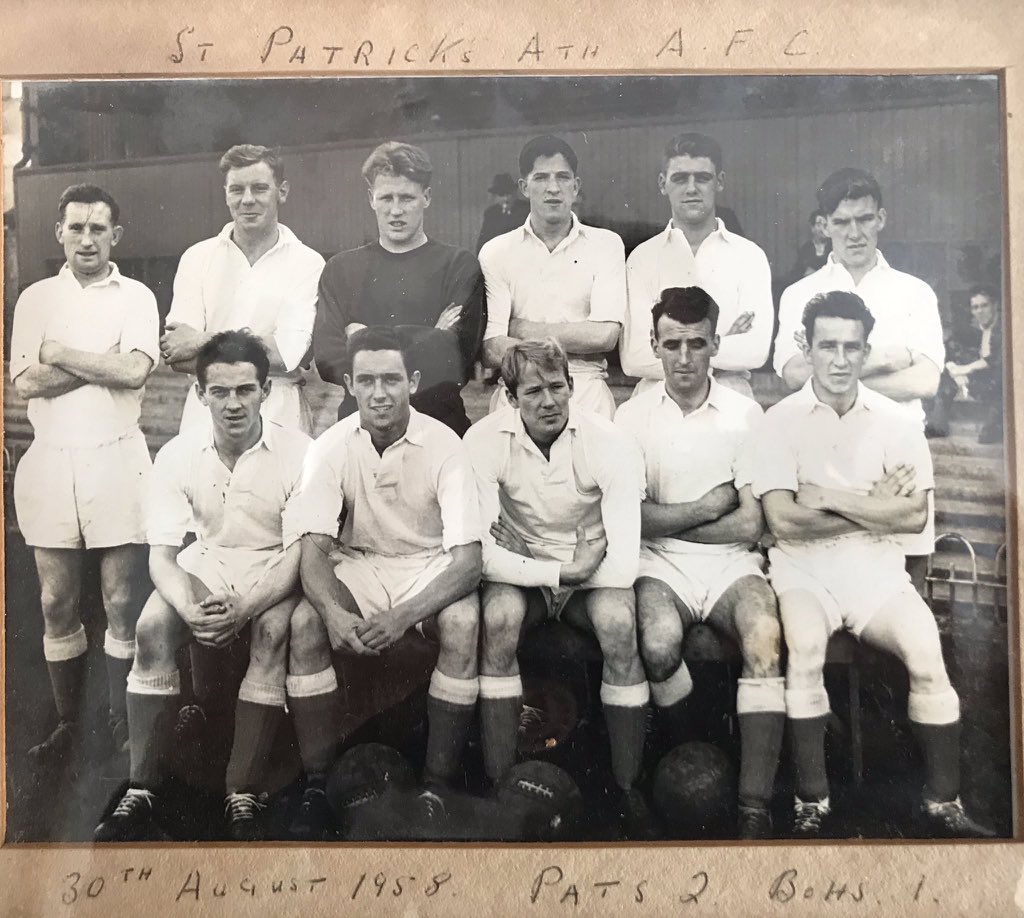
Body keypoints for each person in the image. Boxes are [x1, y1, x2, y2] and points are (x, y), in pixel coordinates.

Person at [753, 290, 992, 839]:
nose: (839, 360)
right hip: (803, 570)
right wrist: (873, 505)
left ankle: (943, 801)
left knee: (928, 653)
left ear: (866, 352)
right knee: (807, 649)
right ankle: (813, 801)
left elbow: (911, 517)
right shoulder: (779, 420)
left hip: (876, 573)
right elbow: (785, 523)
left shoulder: (895, 419)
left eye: (852, 348)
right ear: (807, 349)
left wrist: (830, 498)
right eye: (827, 346)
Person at [93, 330, 310, 842]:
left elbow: (302, 550)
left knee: (273, 632)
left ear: (266, 391)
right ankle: (142, 785)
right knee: (149, 627)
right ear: (199, 394)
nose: (233, 404)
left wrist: (248, 606)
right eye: (220, 391)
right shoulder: (177, 453)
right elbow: (164, 556)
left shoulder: (301, 451)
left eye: (245, 390)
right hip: (210, 560)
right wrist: (190, 610)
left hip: (276, 565)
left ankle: (243, 790)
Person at [284, 326, 482, 837]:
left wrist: (402, 617)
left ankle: (438, 786)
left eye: (391, 379)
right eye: (367, 380)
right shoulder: (328, 447)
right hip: (363, 564)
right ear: (349, 384)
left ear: (412, 381)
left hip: (428, 564)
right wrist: (335, 614)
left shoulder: (446, 445)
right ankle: (316, 782)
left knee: (462, 621)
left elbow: (467, 562)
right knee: (306, 622)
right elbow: (312, 551)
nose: (379, 393)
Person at [614, 286, 784, 839]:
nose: (683, 358)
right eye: (671, 345)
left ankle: (754, 804)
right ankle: (694, 757)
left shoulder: (744, 413)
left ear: (716, 344)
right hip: (660, 564)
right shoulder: (632, 416)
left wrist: (681, 518)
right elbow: (633, 521)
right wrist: (708, 506)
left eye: (695, 344)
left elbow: (751, 525)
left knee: (762, 637)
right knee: (659, 644)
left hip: (732, 563)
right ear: (654, 346)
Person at [464, 338, 652, 837]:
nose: (547, 401)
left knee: (618, 624)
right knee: (498, 620)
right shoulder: (483, 441)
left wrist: (541, 563)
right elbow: (478, 557)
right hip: (541, 570)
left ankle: (626, 787)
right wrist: (554, 569)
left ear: (572, 387)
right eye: (532, 391)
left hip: (587, 573)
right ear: (510, 397)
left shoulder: (608, 441)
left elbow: (624, 566)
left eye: (556, 388)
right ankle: (498, 784)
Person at [10, 183, 159, 769]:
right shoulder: (35, 298)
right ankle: (71, 723)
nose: (87, 239)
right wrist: (102, 360)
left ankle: (124, 725)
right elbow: (27, 382)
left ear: (115, 236)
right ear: (59, 233)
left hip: (118, 456)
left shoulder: (138, 296)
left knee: (121, 600)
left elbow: (134, 373)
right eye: (76, 228)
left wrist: (62, 353)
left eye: (99, 229)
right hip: (51, 458)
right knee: (55, 600)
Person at [773, 168, 944, 584]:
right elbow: (793, 374)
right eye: (842, 222)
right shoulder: (800, 294)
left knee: (905, 585)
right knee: (821, 583)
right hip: (822, 454)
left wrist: (836, 378)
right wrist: (889, 357)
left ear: (881, 219)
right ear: (824, 225)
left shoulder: (914, 292)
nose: (854, 232)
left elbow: (925, 382)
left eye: (864, 219)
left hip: (898, 454)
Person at [313, 141, 485, 436]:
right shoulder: (341, 269)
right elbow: (328, 359)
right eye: (386, 198)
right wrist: (434, 335)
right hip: (359, 431)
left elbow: (458, 362)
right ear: (371, 199)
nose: (395, 210)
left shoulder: (458, 265)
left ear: (427, 197)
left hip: (439, 426)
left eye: (406, 198)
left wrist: (362, 338)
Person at [161, 144, 325, 435]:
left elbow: (286, 356)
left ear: (282, 191)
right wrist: (260, 348)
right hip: (205, 418)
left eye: (260, 188)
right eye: (237, 189)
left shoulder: (307, 262)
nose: (247, 200)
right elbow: (179, 356)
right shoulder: (197, 257)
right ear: (225, 193)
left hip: (279, 417)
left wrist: (203, 339)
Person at [479, 135, 626, 419]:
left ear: (576, 186)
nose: (553, 188)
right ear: (524, 187)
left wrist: (522, 329)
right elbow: (492, 348)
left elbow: (605, 335)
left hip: (586, 391)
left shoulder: (606, 244)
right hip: (519, 392)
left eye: (562, 177)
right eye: (541, 178)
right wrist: (574, 338)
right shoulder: (496, 251)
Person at [619, 132, 773, 400]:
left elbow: (756, 350)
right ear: (662, 183)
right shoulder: (642, 258)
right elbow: (634, 357)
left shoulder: (749, 256)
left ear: (720, 181)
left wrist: (672, 346)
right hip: (657, 404)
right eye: (680, 178)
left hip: (731, 401)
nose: (692, 188)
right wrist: (719, 341)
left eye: (702, 177)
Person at [927, 284, 1003, 443]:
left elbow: (996, 360)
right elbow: (948, 349)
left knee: (986, 438)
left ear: (995, 305)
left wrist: (964, 370)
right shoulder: (974, 330)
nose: (979, 311)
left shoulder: (1003, 328)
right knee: (944, 375)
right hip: (979, 380)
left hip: (1000, 384)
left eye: (984, 305)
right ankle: (938, 425)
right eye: (975, 307)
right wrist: (954, 370)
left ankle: (993, 426)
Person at [475, 172, 530, 253]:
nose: (506, 199)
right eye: (501, 195)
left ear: (515, 194)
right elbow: (483, 242)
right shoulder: (491, 213)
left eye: (509, 194)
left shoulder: (526, 209)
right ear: (496, 197)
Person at [788, 210, 832, 283]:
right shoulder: (806, 249)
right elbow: (798, 272)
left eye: (825, 224)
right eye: (819, 224)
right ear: (812, 228)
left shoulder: (833, 246)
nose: (822, 228)